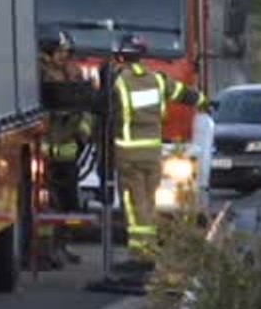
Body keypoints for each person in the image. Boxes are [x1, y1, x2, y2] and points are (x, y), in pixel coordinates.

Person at [111, 34, 208, 265]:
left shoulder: (119, 82)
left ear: (121, 57)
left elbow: (108, 114)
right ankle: (150, 249)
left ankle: (140, 252)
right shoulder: (157, 79)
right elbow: (183, 93)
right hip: (153, 154)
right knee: (149, 202)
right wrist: (204, 101)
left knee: (134, 204)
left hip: (129, 154)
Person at [39, 29, 90, 267]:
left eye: (66, 52)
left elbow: (86, 104)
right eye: (60, 51)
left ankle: (62, 246)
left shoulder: (74, 72)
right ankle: (45, 251)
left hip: (69, 149)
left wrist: (83, 133)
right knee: (48, 203)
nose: (64, 56)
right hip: (45, 151)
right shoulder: (39, 73)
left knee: (69, 203)